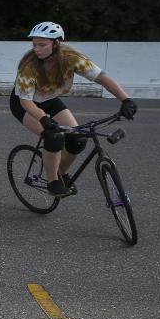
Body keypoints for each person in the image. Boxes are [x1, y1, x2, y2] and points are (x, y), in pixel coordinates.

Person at [10, 21, 136, 197]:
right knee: (53, 136)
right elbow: (26, 102)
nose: (37, 49)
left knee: (78, 138)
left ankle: (61, 171)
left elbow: (101, 77)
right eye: (34, 45)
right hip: (25, 104)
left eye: (42, 45)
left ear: (56, 43)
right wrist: (43, 119)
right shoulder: (29, 66)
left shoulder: (70, 58)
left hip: (49, 100)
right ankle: (53, 180)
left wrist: (125, 99)